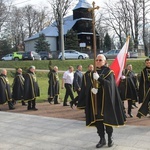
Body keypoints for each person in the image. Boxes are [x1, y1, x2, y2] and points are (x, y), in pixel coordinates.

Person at [84, 54, 126, 148]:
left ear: (104, 61)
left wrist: (99, 79)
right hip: (96, 102)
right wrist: (91, 89)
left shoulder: (109, 72)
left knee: (107, 121)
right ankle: (102, 139)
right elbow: (88, 86)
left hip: (106, 101)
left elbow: (110, 85)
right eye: (97, 60)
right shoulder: (91, 73)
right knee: (98, 121)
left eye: (100, 60)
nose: (98, 61)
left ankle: (110, 138)